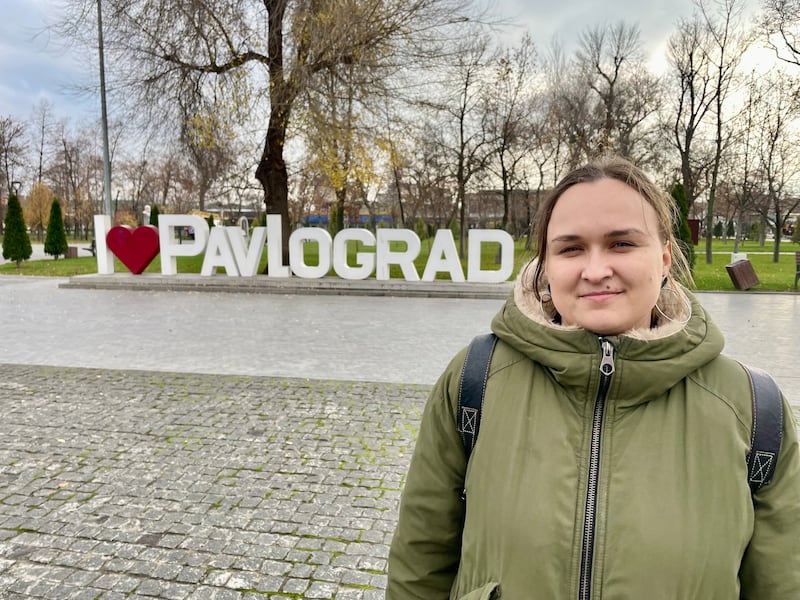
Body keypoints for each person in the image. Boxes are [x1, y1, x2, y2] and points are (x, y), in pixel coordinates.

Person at [386, 156, 800, 599]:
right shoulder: (475, 380)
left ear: (663, 259)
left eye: (622, 244)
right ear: (546, 265)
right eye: (570, 248)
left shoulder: (755, 410)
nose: (596, 270)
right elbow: (420, 560)